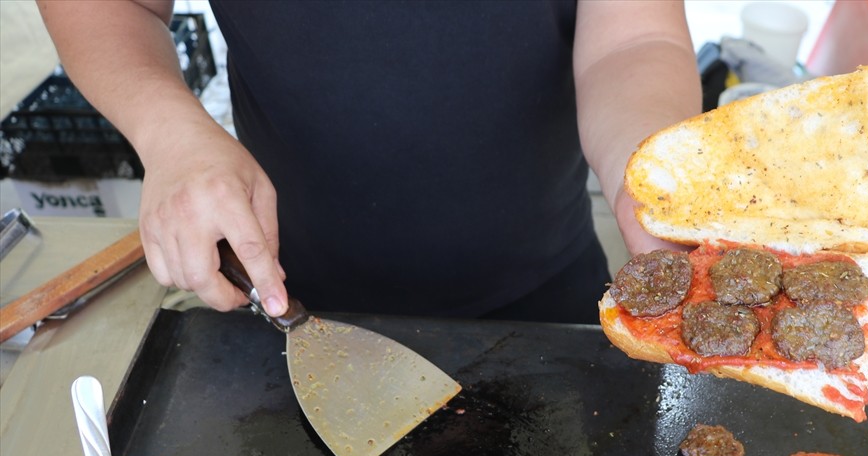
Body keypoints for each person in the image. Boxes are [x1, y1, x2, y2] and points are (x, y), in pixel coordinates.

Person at [36, 0, 702, 323]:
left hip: (547, 299)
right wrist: (170, 131)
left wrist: (653, 173)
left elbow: (633, 38)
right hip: (289, 303)